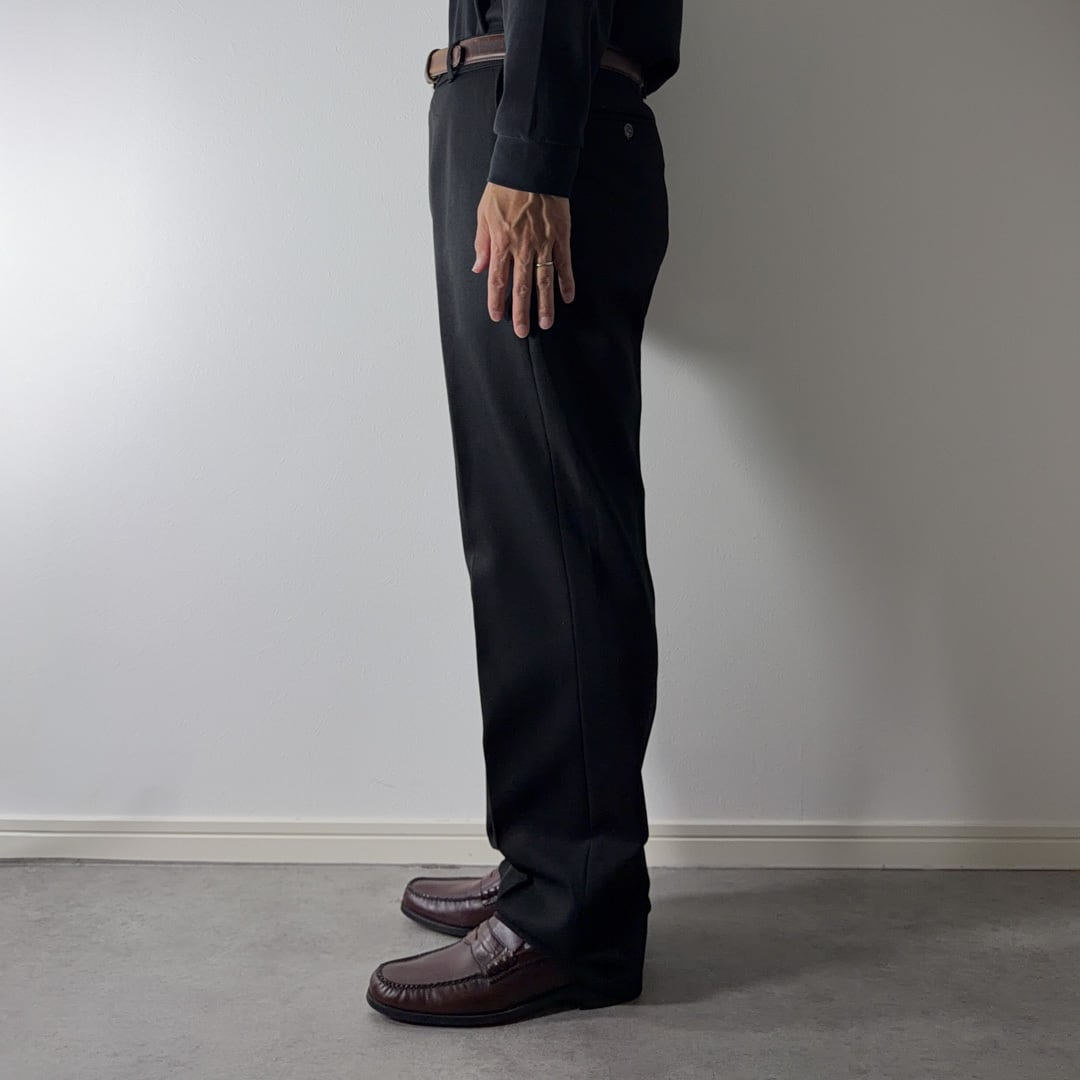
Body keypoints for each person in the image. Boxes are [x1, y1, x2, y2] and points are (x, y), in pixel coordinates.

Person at [366, 0, 683, 1027]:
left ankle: (571, 923)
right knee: (523, 538)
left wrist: (532, 156)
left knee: (555, 542)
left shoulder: (538, 146)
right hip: (523, 120)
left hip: (543, 131)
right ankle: (548, 868)